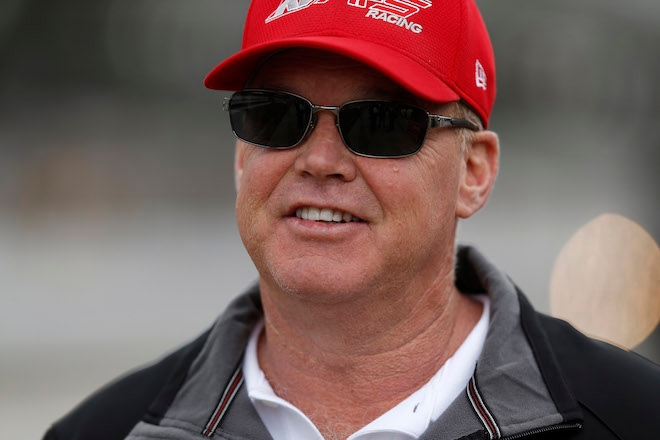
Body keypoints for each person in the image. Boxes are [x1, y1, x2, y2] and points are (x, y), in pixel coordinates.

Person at [43, 1, 660, 439]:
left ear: (473, 172)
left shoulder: (634, 417)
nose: (319, 161)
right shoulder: (100, 432)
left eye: (382, 123)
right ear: (241, 156)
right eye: (275, 116)